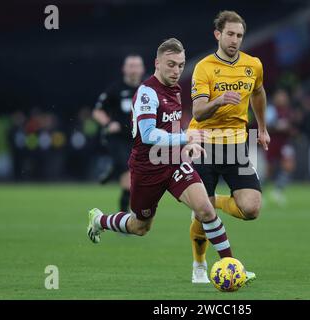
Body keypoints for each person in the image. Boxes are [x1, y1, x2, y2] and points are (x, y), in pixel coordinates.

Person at [87, 38, 236, 266]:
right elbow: (148, 135)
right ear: (157, 63)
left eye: (180, 65)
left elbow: (169, 128)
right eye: (171, 64)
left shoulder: (175, 89)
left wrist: (186, 145)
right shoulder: (147, 93)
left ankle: (231, 266)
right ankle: (100, 220)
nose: (176, 71)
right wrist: (187, 137)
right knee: (140, 227)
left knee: (206, 209)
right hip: (147, 168)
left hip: (174, 163)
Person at [187, 11, 270, 283]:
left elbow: (258, 92)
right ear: (218, 35)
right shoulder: (204, 68)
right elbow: (198, 112)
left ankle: (214, 202)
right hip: (204, 144)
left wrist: (262, 128)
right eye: (230, 34)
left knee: (252, 209)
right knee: (203, 212)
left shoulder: (253, 65)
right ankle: (199, 265)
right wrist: (219, 100)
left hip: (235, 146)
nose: (235, 40)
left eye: (239, 35)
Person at [93, 54, 145, 212]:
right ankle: (123, 214)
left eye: (137, 66)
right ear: (124, 69)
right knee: (128, 171)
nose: (134, 69)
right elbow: (97, 111)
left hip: (137, 139)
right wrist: (109, 124)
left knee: (136, 175)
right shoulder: (115, 89)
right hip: (117, 138)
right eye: (131, 65)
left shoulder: (147, 89)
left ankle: (113, 169)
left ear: (142, 69)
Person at [266, 89, 296, 206]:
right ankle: (259, 193)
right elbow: (267, 125)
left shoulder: (288, 111)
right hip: (272, 142)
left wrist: (290, 128)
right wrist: (278, 126)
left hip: (285, 143)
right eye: (280, 96)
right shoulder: (271, 110)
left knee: (289, 166)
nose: (282, 99)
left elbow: (291, 125)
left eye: (284, 96)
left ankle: (278, 191)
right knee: (269, 170)